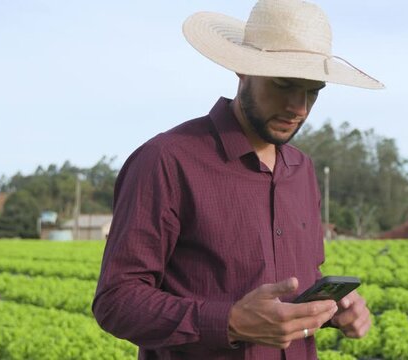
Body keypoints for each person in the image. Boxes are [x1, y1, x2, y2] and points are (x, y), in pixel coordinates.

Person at [92, 0, 384, 359]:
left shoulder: (302, 169)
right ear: (242, 70)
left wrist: (331, 310)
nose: (300, 108)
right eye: (283, 84)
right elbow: (116, 301)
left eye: (312, 91)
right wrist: (228, 321)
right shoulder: (166, 160)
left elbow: (297, 281)